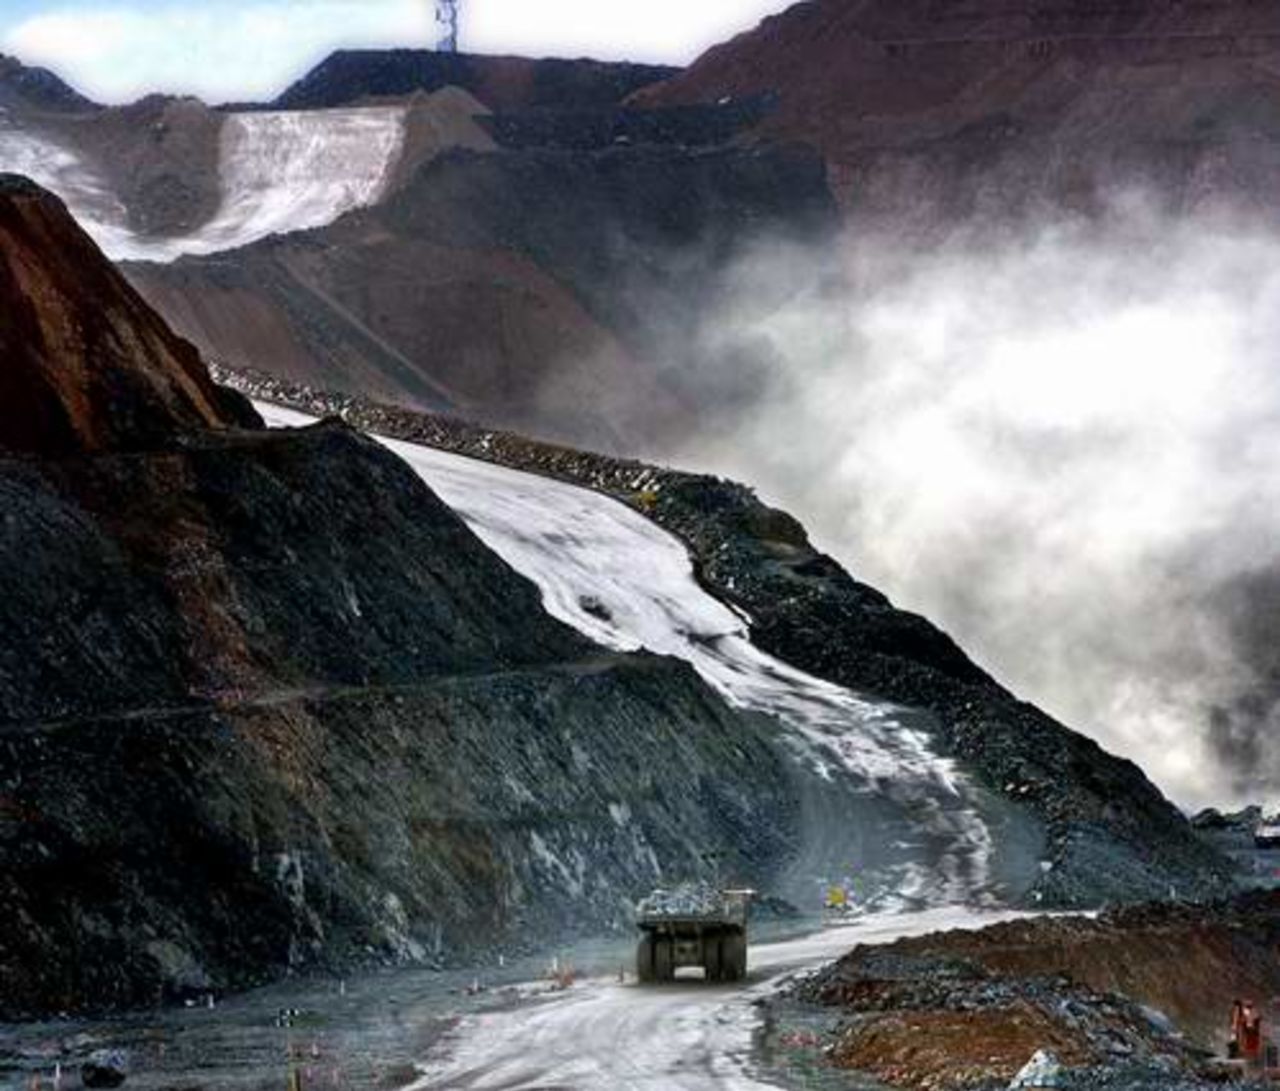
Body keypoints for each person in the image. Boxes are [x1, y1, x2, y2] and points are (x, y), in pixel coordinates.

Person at [1240, 999, 1264, 1067]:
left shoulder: (1251, 1012)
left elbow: (1253, 1021)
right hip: (1251, 1034)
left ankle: (1253, 1060)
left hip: (1252, 1034)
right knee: (1251, 1047)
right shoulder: (1248, 1012)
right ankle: (1252, 1060)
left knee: (1252, 1047)